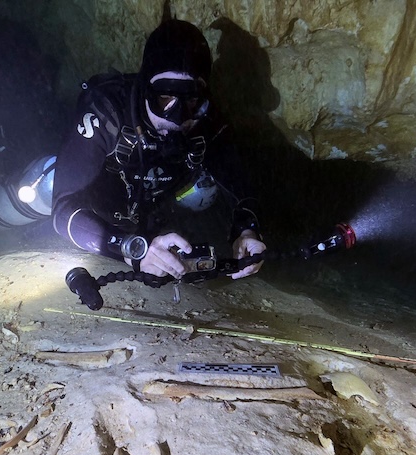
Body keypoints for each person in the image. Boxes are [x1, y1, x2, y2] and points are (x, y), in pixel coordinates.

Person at [51, 19, 266, 280]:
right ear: (144, 88)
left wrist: (246, 230)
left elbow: (241, 183)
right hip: (95, 207)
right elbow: (62, 209)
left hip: (155, 210)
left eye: (192, 100)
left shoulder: (208, 122)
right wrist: (132, 249)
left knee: (205, 191)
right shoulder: (107, 114)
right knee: (43, 187)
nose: (176, 117)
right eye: (164, 99)